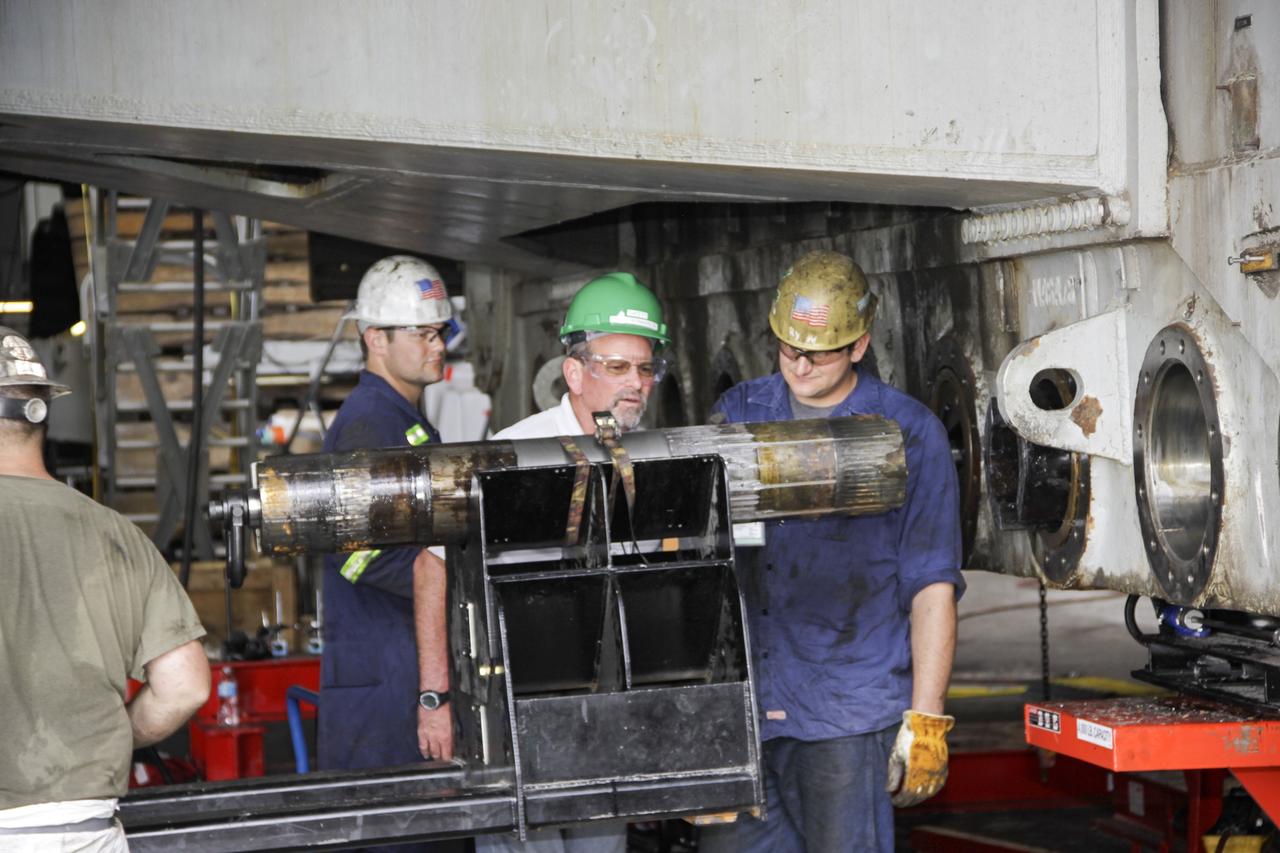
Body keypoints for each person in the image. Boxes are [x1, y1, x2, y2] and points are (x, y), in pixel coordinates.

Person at [699, 250, 964, 853]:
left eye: (817, 351)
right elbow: (699, 562)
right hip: (744, 711)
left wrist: (926, 718)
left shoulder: (905, 432)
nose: (799, 363)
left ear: (859, 345)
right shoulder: (740, 413)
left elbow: (932, 584)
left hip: (845, 714)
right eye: (788, 347)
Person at [478, 271, 671, 852]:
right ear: (574, 372)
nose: (634, 384)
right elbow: (435, 566)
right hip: (521, 711)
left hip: (607, 712)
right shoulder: (518, 452)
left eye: (644, 369)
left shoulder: (656, 459)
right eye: (616, 367)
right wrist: (436, 696)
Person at [0, 326, 210, 851]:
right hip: (89, 831)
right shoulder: (116, 533)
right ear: (42, 417)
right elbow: (186, 686)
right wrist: (113, 737)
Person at [318, 255, 455, 796]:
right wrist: (453, 574)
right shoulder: (370, 424)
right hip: (387, 682)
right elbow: (357, 554)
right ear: (375, 338)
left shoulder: (405, 421)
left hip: (402, 670)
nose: (438, 345)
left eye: (441, 331)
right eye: (422, 333)